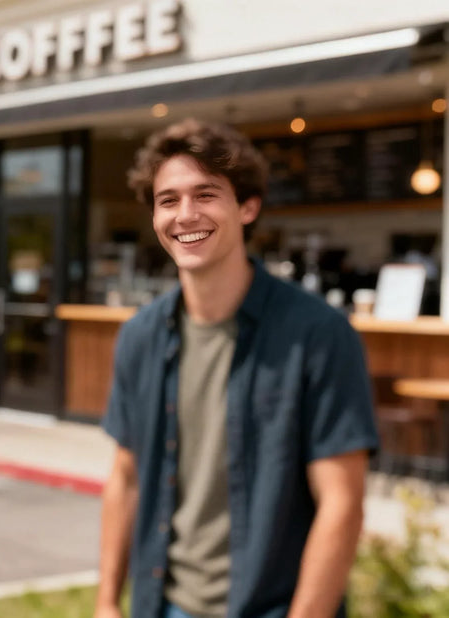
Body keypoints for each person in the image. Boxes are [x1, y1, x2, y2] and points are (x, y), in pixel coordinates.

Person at [95, 119, 378, 618]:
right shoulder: (139, 337)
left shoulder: (319, 334)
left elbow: (342, 504)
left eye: (206, 194)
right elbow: (126, 479)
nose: (186, 214)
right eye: (168, 200)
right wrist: (106, 603)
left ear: (247, 207)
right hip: (163, 605)